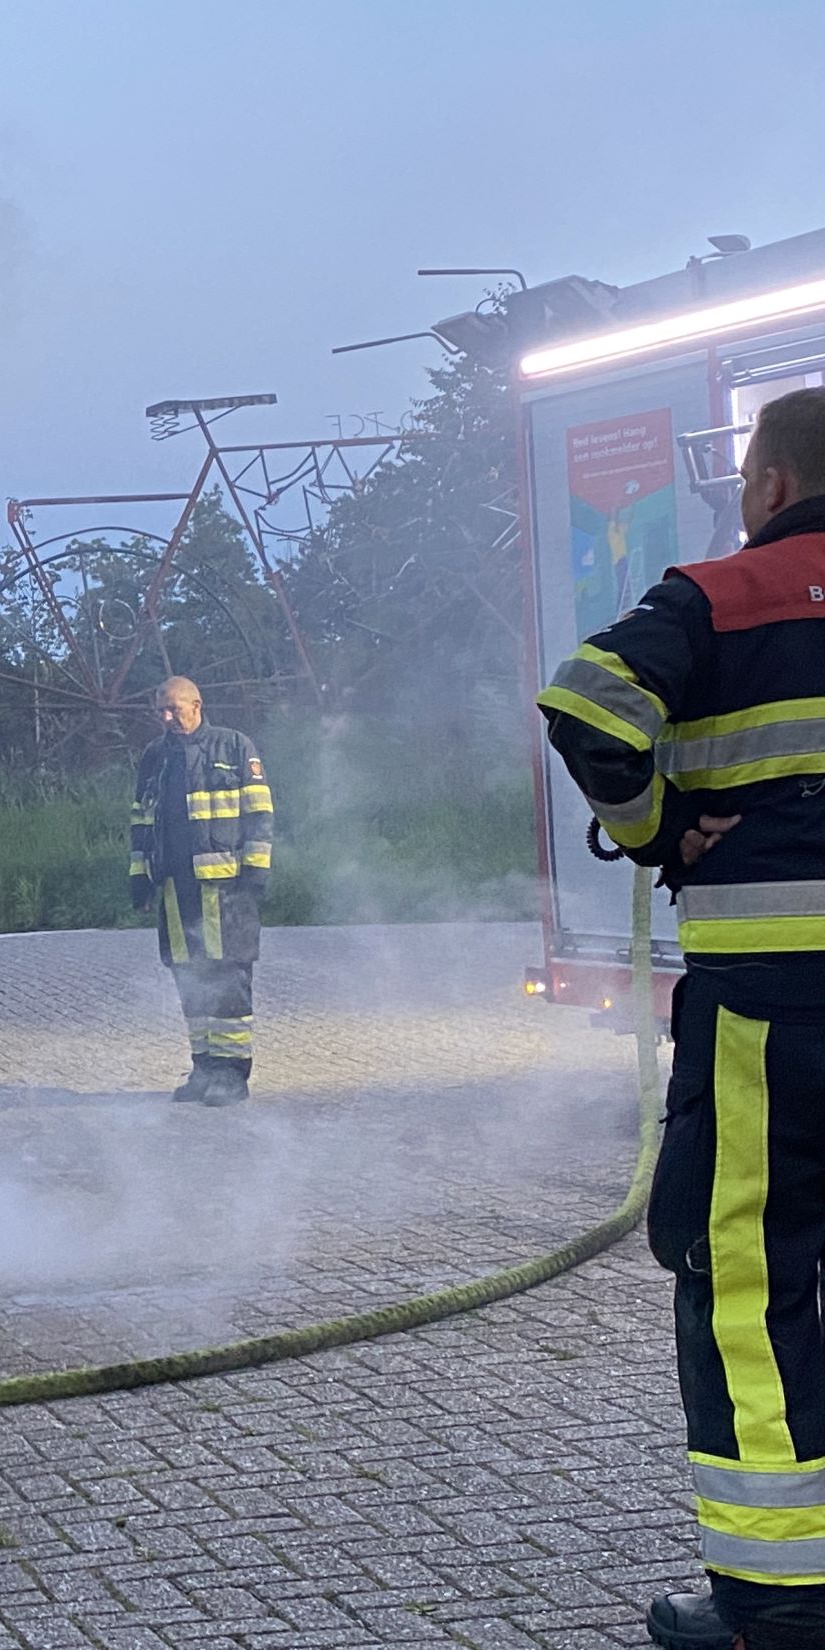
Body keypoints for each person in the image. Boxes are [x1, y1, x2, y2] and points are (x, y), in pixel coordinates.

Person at [540, 386, 825, 1650]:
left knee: (751, 1285)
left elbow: (587, 702)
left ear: (767, 485)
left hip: (770, 1008)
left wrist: (656, 826)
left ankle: (779, 1601)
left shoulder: (720, 596)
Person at [128, 676, 272, 1107]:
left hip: (226, 889)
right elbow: (141, 820)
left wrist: (256, 871)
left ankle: (231, 1075)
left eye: (173, 708)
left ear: (197, 705)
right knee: (189, 978)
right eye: (161, 710)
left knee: (228, 978)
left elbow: (259, 812)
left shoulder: (234, 747)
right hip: (176, 889)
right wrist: (139, 876)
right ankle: (204, 1068)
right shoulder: (155, 757)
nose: (166, 717)